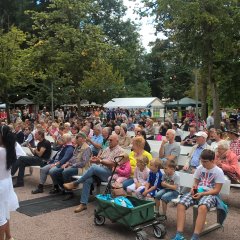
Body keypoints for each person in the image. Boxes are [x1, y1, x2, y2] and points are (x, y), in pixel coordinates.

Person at [171, 149, 226, 240]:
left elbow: (216, 190)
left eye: (205, 162)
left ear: (212, 160)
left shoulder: (218, 171)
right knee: (181, 204)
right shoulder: (200, 168)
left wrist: (202, 193)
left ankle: (195, 237)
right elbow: (195, 182)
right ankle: (179, 235)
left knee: (202, 207)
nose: (203, 163)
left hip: (210, 194)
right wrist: (194, 190)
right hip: (199, 192)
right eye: (201, 161)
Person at [63, 134, 124, 213]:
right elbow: (100, 159)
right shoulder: (107, 149)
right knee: (88, 179)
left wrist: (100, 161)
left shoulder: (120, 151)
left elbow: (114, 164)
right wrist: (96, 159)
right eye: (109, 140)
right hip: (100, 170)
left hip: (110, 174)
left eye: (111, 140)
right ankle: (83, 203)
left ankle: (76, 183)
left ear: (117, 141)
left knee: (93, 167)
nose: (109, 141)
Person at [0, 125, 19, 240]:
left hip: (1, 184)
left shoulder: (1, 150)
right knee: (5, 212)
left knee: (0, 217)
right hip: (7, 182)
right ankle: (9, 237)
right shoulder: (11, 147)